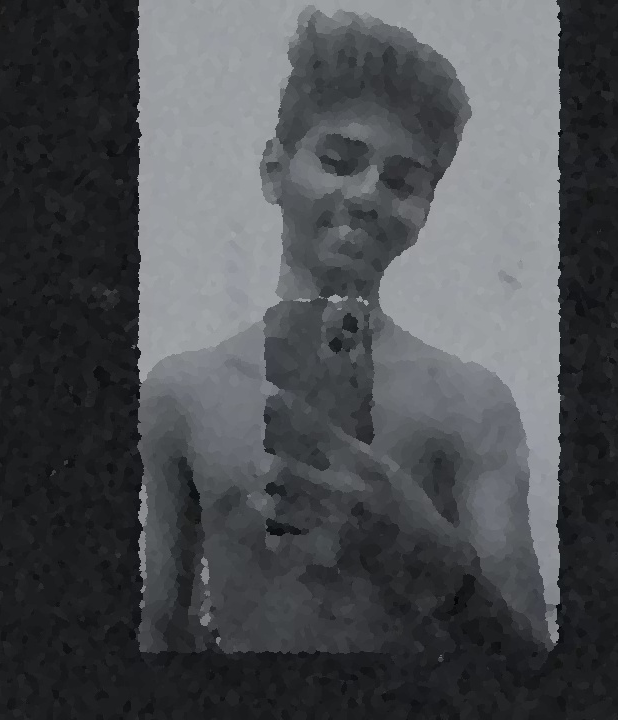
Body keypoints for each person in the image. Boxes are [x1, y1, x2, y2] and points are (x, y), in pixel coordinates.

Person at [139, 7, 551, 657]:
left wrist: (431, 559)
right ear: (274, 171)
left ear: (425, 212)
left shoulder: (471, 406)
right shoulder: (181, 396)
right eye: (338, 160)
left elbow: (533, 662)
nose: (367, 195)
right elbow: (160, 634)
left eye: (403, 181)